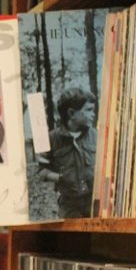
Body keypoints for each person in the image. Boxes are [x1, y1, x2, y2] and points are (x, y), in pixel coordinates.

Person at [36, 87, 96, 218]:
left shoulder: (96, 136)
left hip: (95, 203)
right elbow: (42, 172)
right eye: (89, 110)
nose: (93, 114)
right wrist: (61, 177)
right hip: (69, 205)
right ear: (72, 113)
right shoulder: (50, 139)